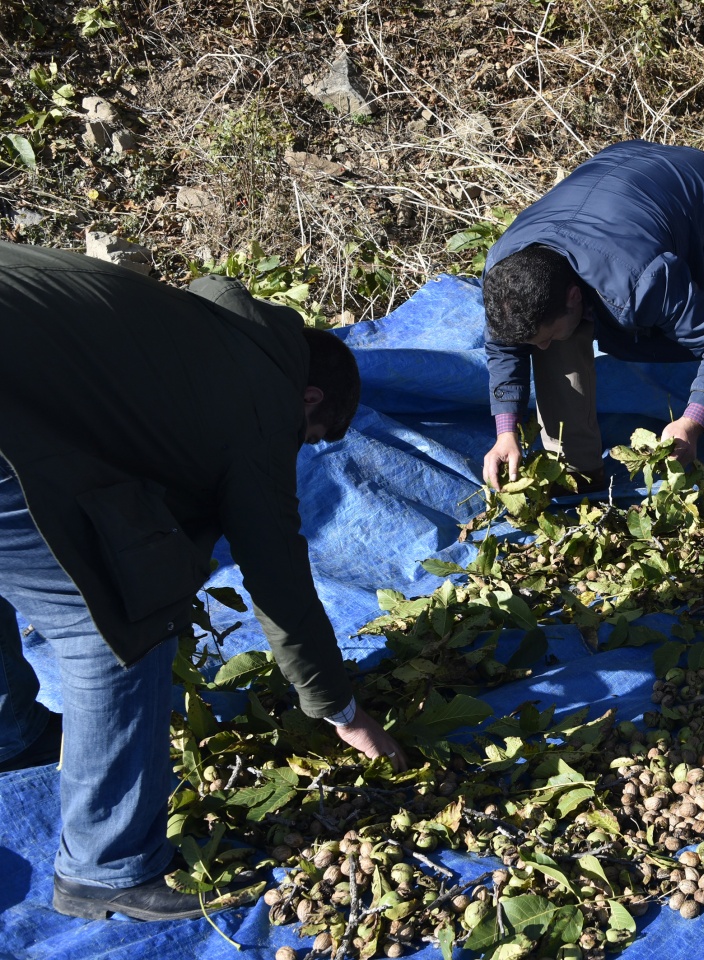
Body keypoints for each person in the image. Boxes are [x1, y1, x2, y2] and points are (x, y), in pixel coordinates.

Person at [0, 242, 407, 922]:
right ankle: (107, 868)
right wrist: (340, 710)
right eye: (306, 437)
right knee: (111, 617)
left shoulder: (208, 323)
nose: (294, 451)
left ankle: (9, 730)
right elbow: (278, 579)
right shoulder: (260, 406)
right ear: (308, 397)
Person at [480, 140, 704, 491]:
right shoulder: (504, 277)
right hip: (612, 187)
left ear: (573, 297)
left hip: (701, 193)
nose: (544, 344)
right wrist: (506, 433)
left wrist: (694, 420)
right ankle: (577, 477)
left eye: (547, 333)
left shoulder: (639, 279)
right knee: (550, 345)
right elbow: (505, 350)